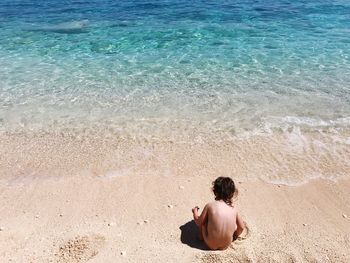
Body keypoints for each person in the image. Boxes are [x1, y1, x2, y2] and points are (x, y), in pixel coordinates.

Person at [192, 177, 245, 250]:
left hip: (210, 244)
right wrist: (235, 235)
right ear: (232, 194)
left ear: (215, 192)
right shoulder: (234, 209)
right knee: (234, 226)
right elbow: (241, 227)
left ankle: (201, 237)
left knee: (204, 222)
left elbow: (199, 222)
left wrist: (195, 212)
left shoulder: (210, 206)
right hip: (226, 245)